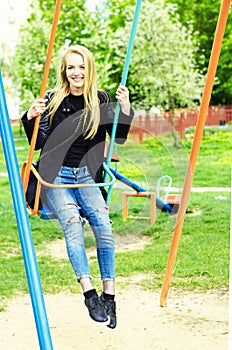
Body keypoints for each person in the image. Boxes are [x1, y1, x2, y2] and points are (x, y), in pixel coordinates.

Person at [21, 45, 134, 329]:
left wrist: (126, 108)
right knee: (73, 223)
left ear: (89, 69)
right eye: (71, 67)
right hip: (55, 175)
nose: (76, 72)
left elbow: (118, 138)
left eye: (81, 66)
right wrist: (30, 117)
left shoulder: (101, 99)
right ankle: (89, 293)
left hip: (86, 175)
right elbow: (39, 143)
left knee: (103, 226)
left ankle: (110, 297)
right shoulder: (52, 100)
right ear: (64, 71)